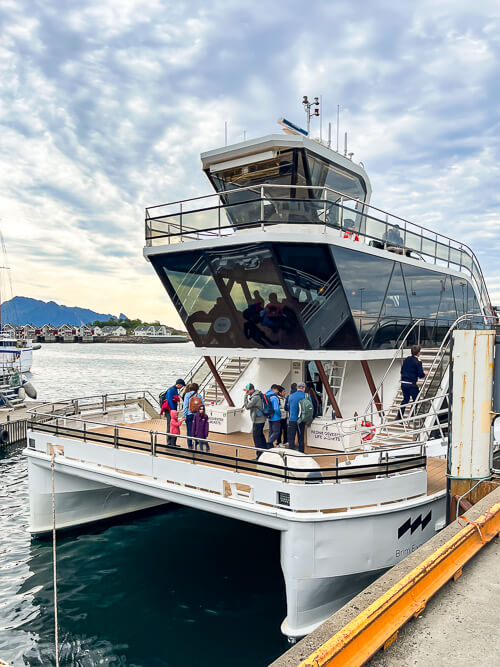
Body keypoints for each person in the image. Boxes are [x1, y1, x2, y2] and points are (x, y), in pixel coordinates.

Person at [398, 344, 425, 419]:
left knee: (405, 399)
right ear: (418, 353)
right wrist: (424, 374)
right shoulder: (418, 361)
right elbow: (420, 375)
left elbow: (402, 370)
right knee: (416, 399)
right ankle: (411, 416)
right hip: (411, 384)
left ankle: (399, 416)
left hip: (403, 383)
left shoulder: (406, 359)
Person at [243, 383, 267, 453]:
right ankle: (265, 451)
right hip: (261, 419)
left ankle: (259, 454)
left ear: (252, 390)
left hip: (258, 420)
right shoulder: (258, 394)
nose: (246, 392)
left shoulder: (255, 397)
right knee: (260, 435)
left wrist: (245, 396)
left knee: (256, 438)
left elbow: (247, 406)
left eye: (248, 391)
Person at [163, 378, 186, 446]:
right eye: (182, 385)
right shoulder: (171, 390)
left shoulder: (174, 389)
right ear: (179, 385)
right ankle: (169, 442)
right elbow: (170, 401)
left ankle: (172, 442)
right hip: (170, 411)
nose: (182, 387)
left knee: (173, 426)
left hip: (173, 411)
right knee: (170, 426)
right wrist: (173, 411)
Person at [287, 382, 308, 452]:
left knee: (291, 438)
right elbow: (310, 408)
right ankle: (301, 452)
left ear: (297, 388)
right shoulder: (306, 396)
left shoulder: (291, 396)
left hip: (292, 419)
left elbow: (288, 408)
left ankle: (290, 453)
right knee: (301, 437)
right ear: (304, 388)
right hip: (301, 420)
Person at [183, 382, 204, 449]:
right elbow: (202, 406)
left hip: (189, 414)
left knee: (189, 430)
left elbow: (185, 406)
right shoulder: (199, 395)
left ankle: (190, 445)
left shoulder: (187, 395)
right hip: (197, 415)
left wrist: (184, 415)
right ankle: (196, 441)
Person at [265, 384, 282, 449]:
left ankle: (270, 445)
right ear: (274, 389)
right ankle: (269, 443)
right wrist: (280, 414)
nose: (277, 391)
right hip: (275, 417)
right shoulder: (274, 397)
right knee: (276, 432)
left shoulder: (266, 395)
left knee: (271, 431)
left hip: (269, 416)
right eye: (277, 390)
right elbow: (276, 408)